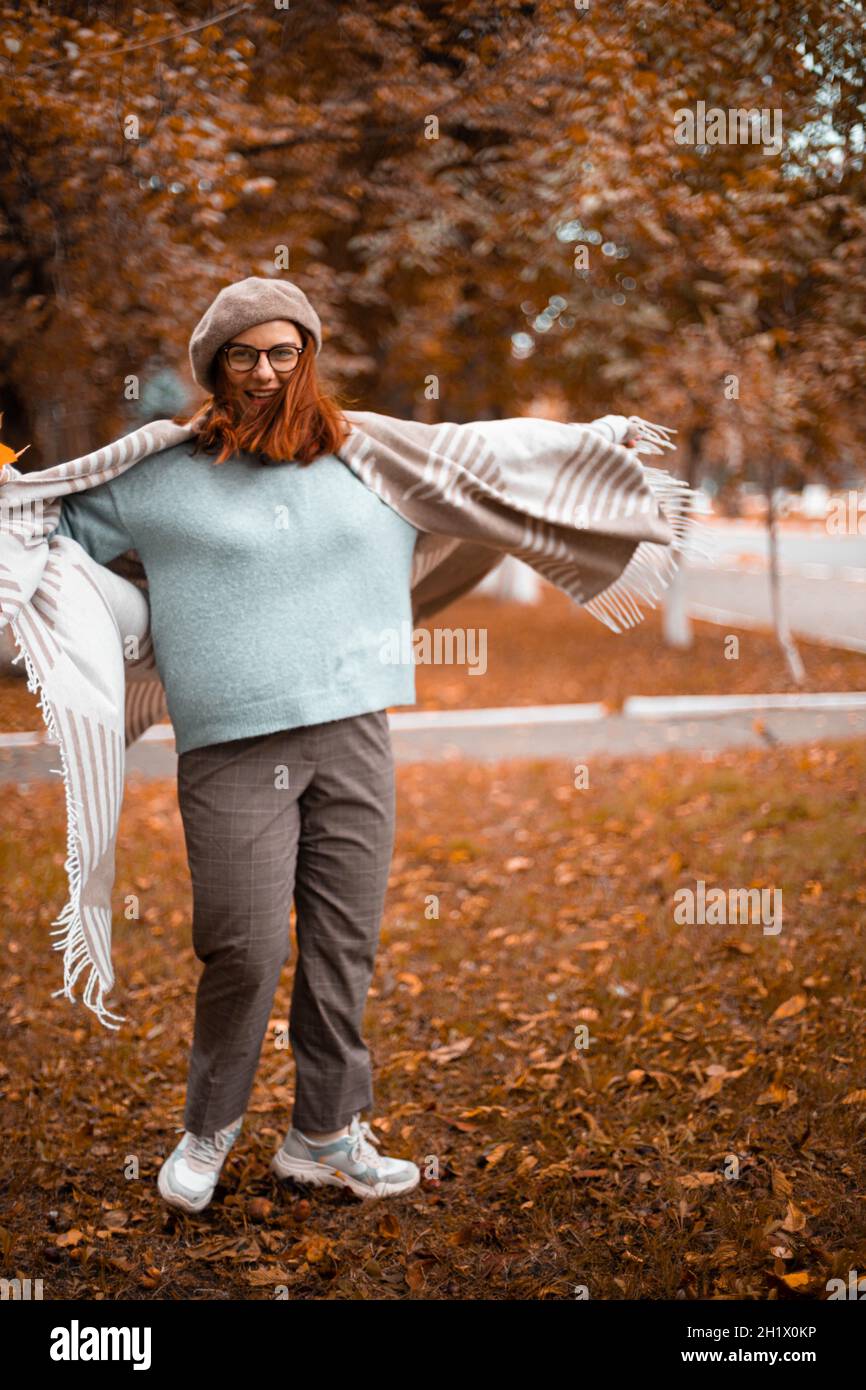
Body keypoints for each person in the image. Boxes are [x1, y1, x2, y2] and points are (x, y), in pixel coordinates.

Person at [50, 277, 423, 1211]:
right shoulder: (160, 472)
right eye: (244, 355)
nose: (265, 371)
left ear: (308, 356)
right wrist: (121, 629)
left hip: (353, 731)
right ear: (215, 366)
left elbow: (485, 480)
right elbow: (46, 536)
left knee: (344, 945)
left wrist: (598, 460)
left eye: (283, 351)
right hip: (230, 745)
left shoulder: (364, 458)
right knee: (244, 947)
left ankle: (326, 1135)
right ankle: (209, 1128)